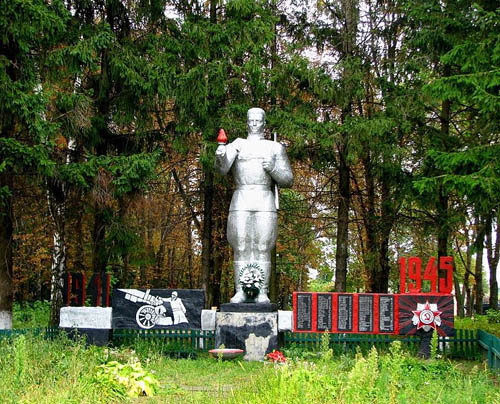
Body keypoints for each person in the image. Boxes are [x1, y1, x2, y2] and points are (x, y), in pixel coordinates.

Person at [215, 108, 293, 303]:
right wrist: (220, 155)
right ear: (247, 122)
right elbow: (222, 169)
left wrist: (273, 168)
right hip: (241, 196)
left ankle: (262, 291)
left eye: (258, 121)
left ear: (264, 123)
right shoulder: (238, 144)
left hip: (264, 197)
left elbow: (288, 179)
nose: (254, 124)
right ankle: (241, 290)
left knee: (262, 246)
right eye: (251, 120)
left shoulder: (274, 148)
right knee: (240, 245)